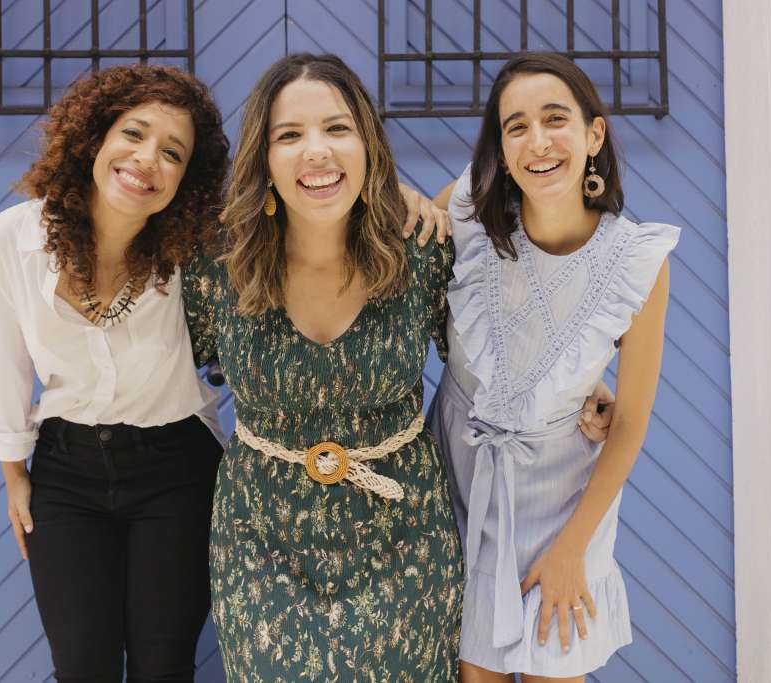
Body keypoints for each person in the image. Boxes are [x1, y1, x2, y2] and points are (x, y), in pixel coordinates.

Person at [181, 53, 465, 680]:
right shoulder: (216, 262)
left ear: (368, 146)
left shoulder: (423, 251)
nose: (317, 150)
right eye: (289, 135)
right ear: (263, 158)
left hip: (406, 535)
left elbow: (493, 357)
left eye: (338, 128)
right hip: (260, 540)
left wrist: (585, 391)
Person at [0, 63, 231, 682]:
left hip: (178, 470)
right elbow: (7, 363)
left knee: (163, 667)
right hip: (67, 474)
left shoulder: (197, 252)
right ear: (95, 137)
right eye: (133, 134)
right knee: (82, 666)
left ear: (185, 178)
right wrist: (14, 476)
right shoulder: (6, 242)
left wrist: (409, 200)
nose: (147, 159)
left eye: (172, 153)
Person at [426, 53, 679, 682]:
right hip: (461, 479)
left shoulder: (636, 261)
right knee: (473, 673)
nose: (537, 141)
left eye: (555, 118)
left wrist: (573, 548)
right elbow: (402, 265)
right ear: (502, 148)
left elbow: (630, 423)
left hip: (567, 498)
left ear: (594, 135)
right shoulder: (466, 211)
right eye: (516, 126)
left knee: (553, 665)